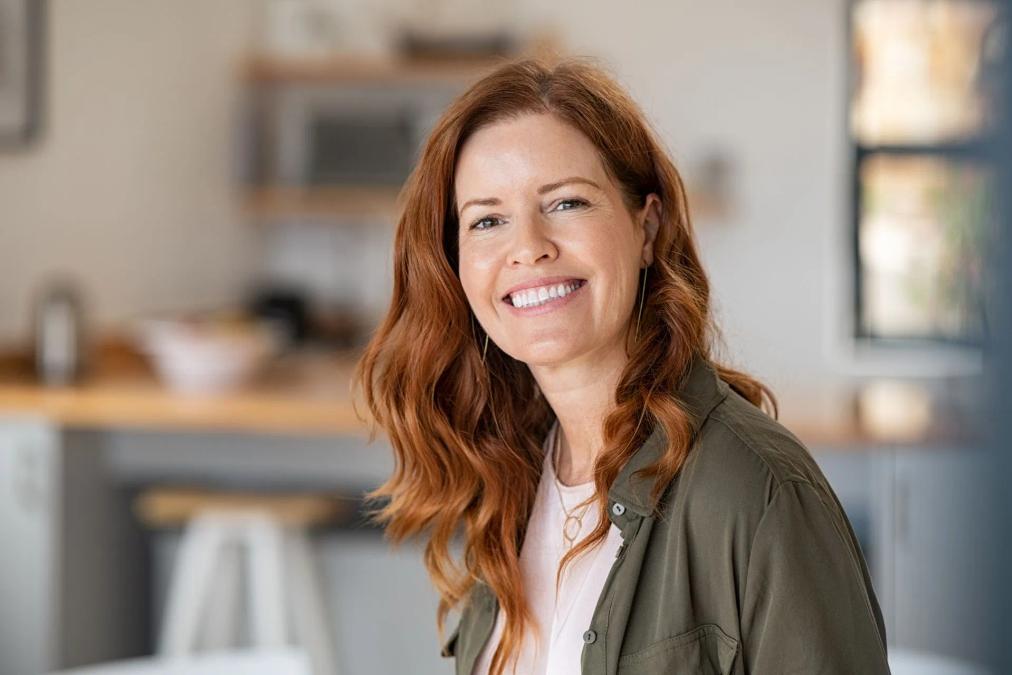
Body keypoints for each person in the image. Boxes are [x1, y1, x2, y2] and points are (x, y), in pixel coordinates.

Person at [353, 56, 890, 675]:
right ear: (455, 262)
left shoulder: (756, 493)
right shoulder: (507, 477)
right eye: (488, 220)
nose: (528, 247)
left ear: (648, 227)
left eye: (567, 203)